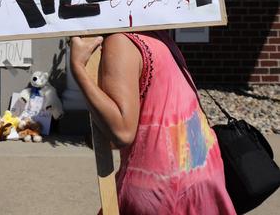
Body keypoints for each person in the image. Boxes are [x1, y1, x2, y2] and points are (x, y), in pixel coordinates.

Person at [70, 31, 235, 215]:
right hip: (203, 177)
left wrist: (78, 68)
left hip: (159, 189)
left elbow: (122, 133)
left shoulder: (121, 42)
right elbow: (154, 117)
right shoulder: (161, 37)